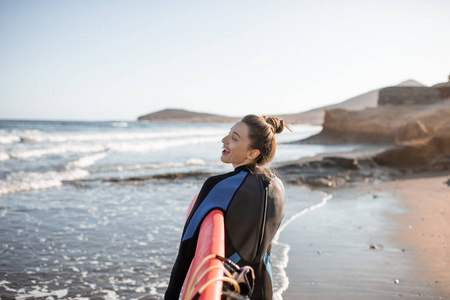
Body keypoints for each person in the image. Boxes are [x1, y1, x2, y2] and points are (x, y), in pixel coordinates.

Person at [165, 115, 289, 300]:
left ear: (252, 153)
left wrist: (171, 296)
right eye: (229, 134)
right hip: (263, 289)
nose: (224, 140)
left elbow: (186, 249)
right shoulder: (279, 186)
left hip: (226, 289)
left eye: (234, 138)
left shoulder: (218, 185)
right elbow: (266, 246)